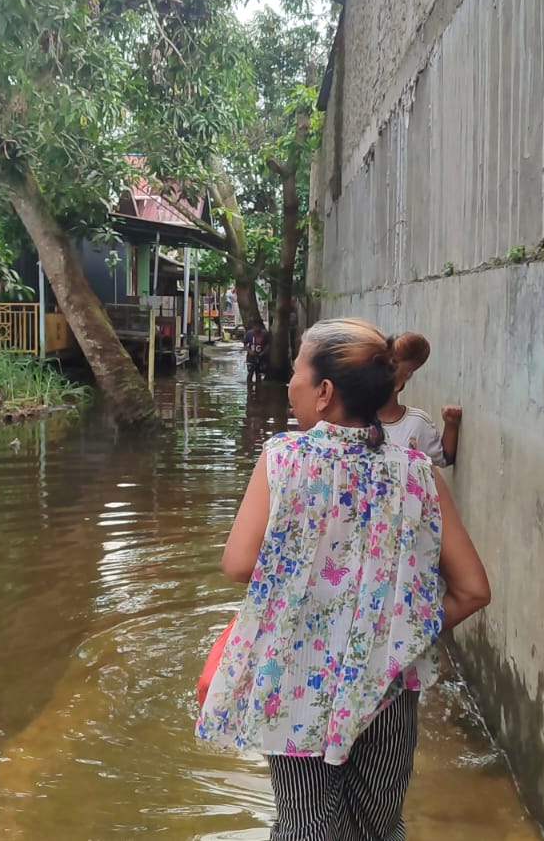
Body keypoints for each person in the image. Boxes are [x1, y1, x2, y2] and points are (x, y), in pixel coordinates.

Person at [198, 318, 492, 840]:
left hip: (295, 683)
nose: (290, 383)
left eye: (297, 372)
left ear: (324, 392)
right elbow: (472, 591)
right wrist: (400, 633)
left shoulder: (283, 459)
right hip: (389, 686)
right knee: (378, 827)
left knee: (306, 827)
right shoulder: (418, 473)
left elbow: (239, 564)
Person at [376, 333, 462, 466]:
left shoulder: (416, 422)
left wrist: (451, 424)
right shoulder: (353, 420)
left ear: (398, 383)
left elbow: (443, 458)